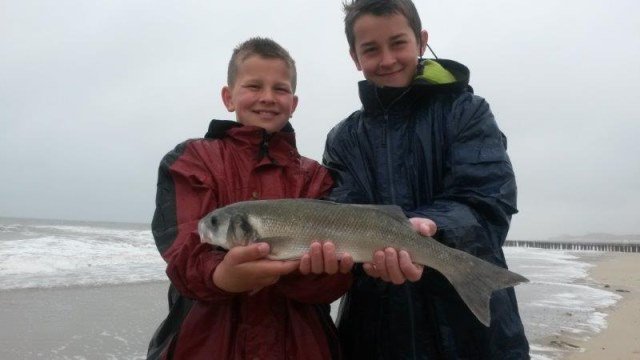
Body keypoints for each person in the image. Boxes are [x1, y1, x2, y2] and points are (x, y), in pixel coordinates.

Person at [322, 0, 530, 358]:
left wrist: (431, 227)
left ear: (421, 41)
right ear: (355, 57)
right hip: (375, 336)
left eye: (398, 43)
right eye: (371, 49)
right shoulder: (343, 138)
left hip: (470, 336)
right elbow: (341, 213)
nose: (387, 59)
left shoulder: (467, 112)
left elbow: (488, 201)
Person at [147, 37, 355, 360]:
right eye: (254, 86)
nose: (268, 98)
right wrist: (221, 275)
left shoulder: (317, 178)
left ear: (294, 103)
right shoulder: (192, 160)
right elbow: (181, 249)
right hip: (206, 344)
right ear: (228, 97)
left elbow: (335, 281)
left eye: (280, 89)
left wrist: (318, 273)